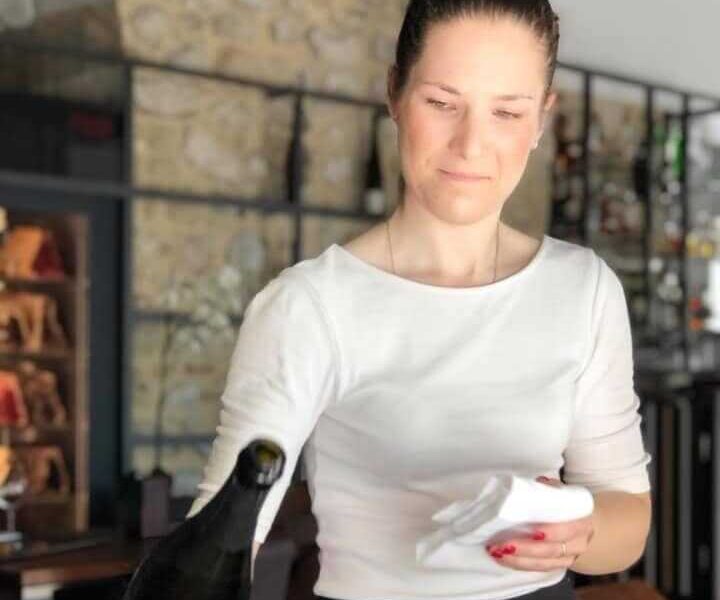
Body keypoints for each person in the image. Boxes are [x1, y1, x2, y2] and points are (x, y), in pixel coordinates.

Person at [187, 1, 653, 598]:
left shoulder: (583, 289)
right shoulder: (310, 305)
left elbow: (627, 520)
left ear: (541, 119)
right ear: (395, 93)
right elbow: (223, 541)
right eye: (442, 103)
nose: (471, 145)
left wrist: (579, 532)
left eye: (507, 112)